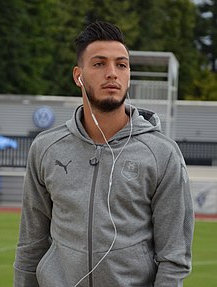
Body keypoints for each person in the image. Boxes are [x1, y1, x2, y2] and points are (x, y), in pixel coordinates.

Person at [14, 21, 194, 287]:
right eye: (99, 64)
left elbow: (174, 259)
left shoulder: (161, 153)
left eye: (121, 65)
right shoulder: (46, 148)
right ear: (78, 75)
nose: (112, 73)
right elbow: (31, 245)